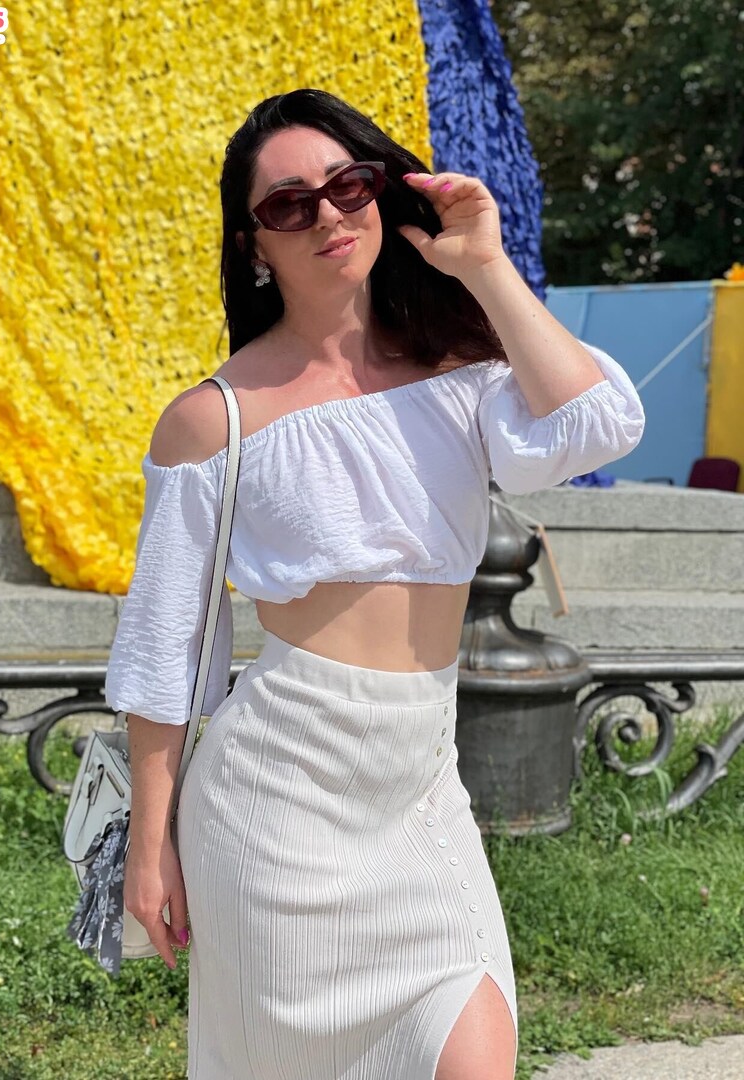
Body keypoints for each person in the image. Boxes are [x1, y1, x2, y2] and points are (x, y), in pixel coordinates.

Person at [104, 88, 645, 1080]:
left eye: (348, 184)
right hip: (276, 802)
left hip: (420, 789)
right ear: (253, 244)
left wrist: (484, 265)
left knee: (473, 1058)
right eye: (288, 203)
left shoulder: (462, 372)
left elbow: (599, 425)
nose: (327, 214)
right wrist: (150, 842)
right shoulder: (214, 419)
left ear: (380, 192)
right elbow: (166, 645)